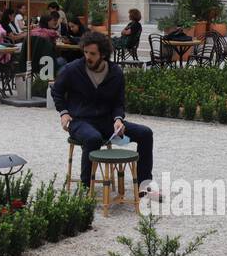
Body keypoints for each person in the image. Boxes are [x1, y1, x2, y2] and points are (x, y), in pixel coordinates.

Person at [53, 30, 157, 199]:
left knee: (146, 133)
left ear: (103, 53)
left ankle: (144, 185)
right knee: (92, 138)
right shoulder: (72, 69)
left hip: (106, 121)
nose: (88, 56)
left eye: (92, 53)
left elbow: (118, 102)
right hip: (79, 120)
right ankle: (86, 188)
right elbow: (57, 91)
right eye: (85, 52)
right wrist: (63, 113)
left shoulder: (115, 73)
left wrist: (118, 119)